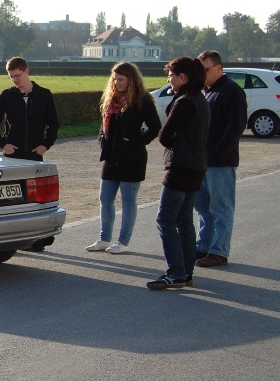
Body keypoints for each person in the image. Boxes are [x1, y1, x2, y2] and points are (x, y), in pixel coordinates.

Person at [147, 57, 209, 291]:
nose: (168, 80)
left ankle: (175, 272)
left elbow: (164, 136)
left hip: (180, 166)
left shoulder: (184, 102)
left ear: (183, 77)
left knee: (165, 219)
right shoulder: (200, 100)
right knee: (184, 221)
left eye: (171, 75)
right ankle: (186, 271)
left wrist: (174, 138)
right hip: (196, 166)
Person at [86, 62, 162, 254]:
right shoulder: (111, 99)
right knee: (105, 198)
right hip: (111, 157)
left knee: (128, 201)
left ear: (131, 79)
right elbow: (105, 126)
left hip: (132, 158)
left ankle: (123, 241)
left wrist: (135, 142)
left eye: (121, 79)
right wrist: (102, 139)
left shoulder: (143, 100)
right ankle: (104, 238)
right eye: (114, 79)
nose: (117, 83)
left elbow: (155, 127)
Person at [193, 50, 246, 268]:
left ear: (218, 68)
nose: (202, 74)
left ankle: (219, 251)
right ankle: (203, 246)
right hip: (203, 161)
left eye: (206, 70)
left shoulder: (231, 90)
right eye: (200, 70)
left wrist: (217, 152)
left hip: (221, 162)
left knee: (221, 208)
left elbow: (236, 126)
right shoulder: (206, 91)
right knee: (203, 208)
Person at [0, 56, 59, 161]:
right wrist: (3, 144)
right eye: (11, 77)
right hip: (12, 155)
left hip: (35, 155)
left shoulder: (44, 95)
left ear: (26, 71)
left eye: (17, 75)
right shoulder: (6, 95)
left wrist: (46, 145)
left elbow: (53, 123)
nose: (15, 80)